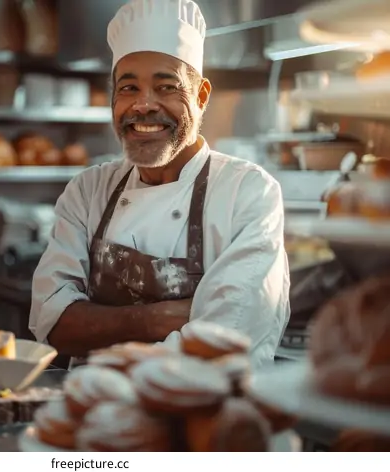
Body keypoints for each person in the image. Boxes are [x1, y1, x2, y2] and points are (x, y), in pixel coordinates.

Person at [29, 0, 290, 368]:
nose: (143, 105)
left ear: (201, 97)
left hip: (201, 418)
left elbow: (227, 342)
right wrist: (156, 319)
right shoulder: (88, 190)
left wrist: (99, 328)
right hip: (94, 414)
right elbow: (51, 321)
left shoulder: (246, 193)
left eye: (167, 87)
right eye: (129, 88)